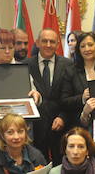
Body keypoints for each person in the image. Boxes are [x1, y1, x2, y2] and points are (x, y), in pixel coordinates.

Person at [27, 27, 76, 162]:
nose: (48, 45)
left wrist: (63, 117)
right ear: (37, 43)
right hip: (35, 127)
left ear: (58, 44)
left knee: (61, 164)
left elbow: (71, 95)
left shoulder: (68, 64)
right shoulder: (25, 65)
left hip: (60, 125)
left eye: (52, 42)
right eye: (44, 41)